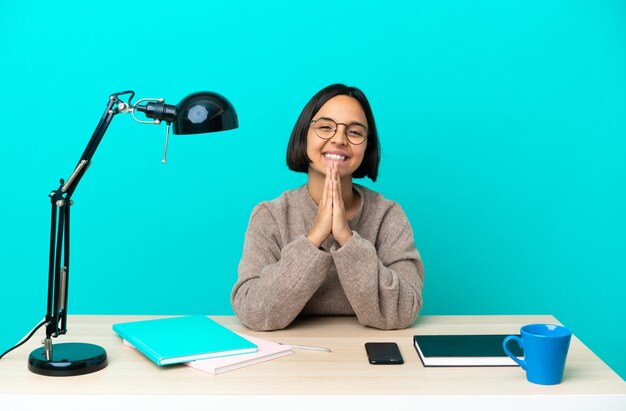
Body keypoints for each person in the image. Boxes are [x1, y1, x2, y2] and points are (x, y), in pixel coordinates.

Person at [231, 84, 424, 331]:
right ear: (304, 135)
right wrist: (314, 238)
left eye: (354, 132)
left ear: (367, 146)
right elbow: (252, 310)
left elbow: (404, 310)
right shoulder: (270, 216)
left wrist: (346, 238)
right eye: (325, 127)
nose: (339, 139)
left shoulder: (388, 216)